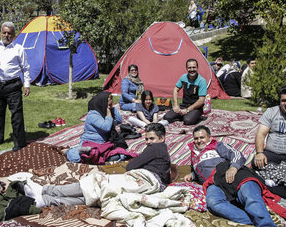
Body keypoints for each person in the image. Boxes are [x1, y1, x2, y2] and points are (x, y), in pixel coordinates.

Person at [27, 123, 175, 207]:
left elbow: (131, 166)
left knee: (96, 181)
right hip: (149, 187)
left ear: (162, 138)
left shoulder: (156, 148)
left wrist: (142, 160)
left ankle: (46, 190)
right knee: (95, 197)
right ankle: (45, 200)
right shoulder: (163, 153)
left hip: (143, 181)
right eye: (147, 139)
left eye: (152, 139)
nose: (148, 142)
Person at [185, 125, 285, 227]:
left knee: (249, 195)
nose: (199, 141)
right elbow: (198, 170)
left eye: (202, 137)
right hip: (214, 182)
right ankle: (260, 221)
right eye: (196, 138)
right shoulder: (194, 154)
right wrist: (192, 175)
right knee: (213, 203)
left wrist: (233, 168)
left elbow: (237, 154)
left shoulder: (217, 145)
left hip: (230, 172)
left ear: (209, 137)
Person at [0, 22, 31, 151]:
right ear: (1, 33)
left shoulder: (18, 49)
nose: (6, 35)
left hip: (13, 86)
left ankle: (19, 142)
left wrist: (27, 85)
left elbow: (26, 68)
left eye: (9, 33)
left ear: (14, 35)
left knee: (16, 114)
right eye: (4, 33)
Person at [66, 91, 123, 163]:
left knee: (119, 155)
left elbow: (119, 120)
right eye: (108, 105)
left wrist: (112, 109)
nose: (109, 107)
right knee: (76, 157)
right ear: (101, 104)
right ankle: (68, 151)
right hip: (89, 142)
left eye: (111, 105)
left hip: (102, 143)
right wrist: (109, 114)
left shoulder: (106, 112)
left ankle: (98, 157)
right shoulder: (93, 114)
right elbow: (106, 127)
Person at [163, 59, 207, 125]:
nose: (192, 69)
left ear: (197, 68)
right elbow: (175, 90)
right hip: (184, 105)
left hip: (196, 108)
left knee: (187, 121)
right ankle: (183, 115)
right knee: (167, 117)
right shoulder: (183, 77)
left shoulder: (202, 81)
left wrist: (187, 110)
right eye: (189, 68)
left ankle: (196, 116)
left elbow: (201, 100)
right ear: (186, 68)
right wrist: (176, 105)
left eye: (194, 67)